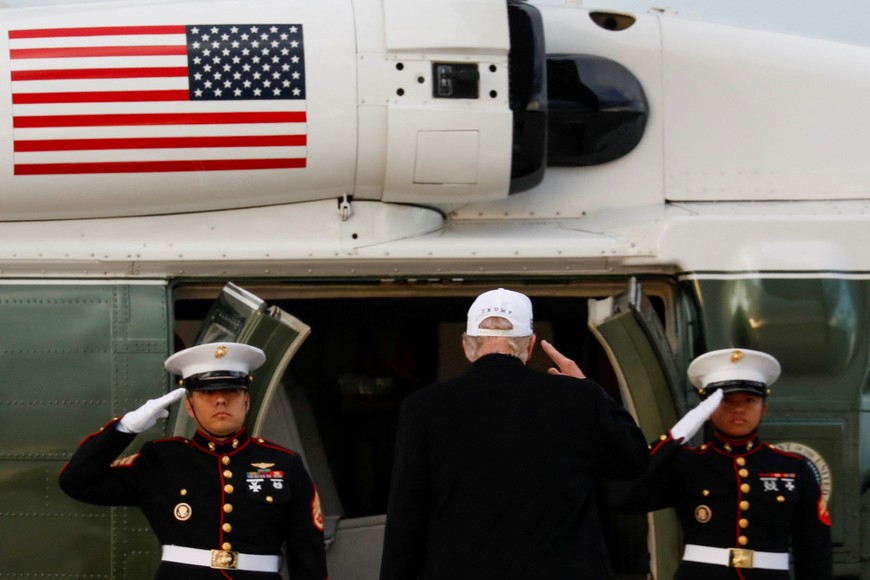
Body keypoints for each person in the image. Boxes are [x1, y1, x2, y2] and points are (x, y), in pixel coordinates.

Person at [379, 288, 649, 580]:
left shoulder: (423, 407)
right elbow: (633, 461)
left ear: (468, 345)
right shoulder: (577, 399)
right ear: (530, 345)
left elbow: (406, 519)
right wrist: (588, 388)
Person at [58, 342, 328, 580]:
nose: (221, 400)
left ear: (246, 400)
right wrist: (126, 428)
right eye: (207, 393)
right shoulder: (163, 459)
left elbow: (307, 554)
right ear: (189, 405)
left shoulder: (284, 463)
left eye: (232, 391)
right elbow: (76, 482)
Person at [611, 347, 833, 579]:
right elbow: (625, 498)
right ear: (707, 410)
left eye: (749, 400)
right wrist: (674, 437)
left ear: (763, 409)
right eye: (726, 400)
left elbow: (814, 549)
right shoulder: (687, 463)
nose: (739, 408)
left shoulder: (794, 468)